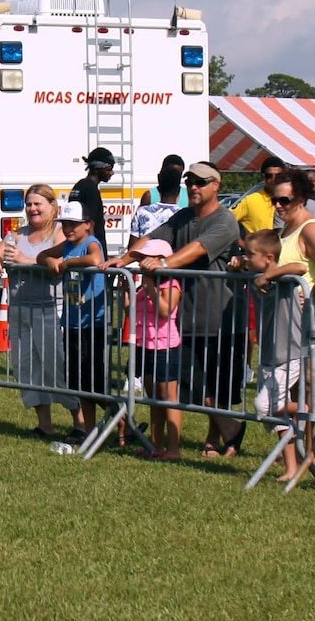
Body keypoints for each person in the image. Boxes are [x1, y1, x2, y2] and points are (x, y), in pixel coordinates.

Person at [108, 161, 248, 459]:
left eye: (200, 182)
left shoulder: (225, 221)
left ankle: (218, 436)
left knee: (217, 387)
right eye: (190, 182)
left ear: (216, 186)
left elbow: (198, 248)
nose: (193, 187)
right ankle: (229, 430)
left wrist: (165, 264)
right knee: (191, 385)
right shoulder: (182, 216)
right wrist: (125, 258)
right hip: (183, 318)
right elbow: (154, 238)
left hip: (220, 316)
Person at [260, 169, 315, 470]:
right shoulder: (285, 229)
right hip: (288, 323)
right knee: (296, 387)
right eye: (275, 200)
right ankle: (302, 449)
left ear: (302, 197)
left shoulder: (310, 228)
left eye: (286, 199)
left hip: (313, 322)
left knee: (312, 385)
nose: (279, 205)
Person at [3, 185, 84, 438]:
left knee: (57, 368)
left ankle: (81, 423)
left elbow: (58, 265)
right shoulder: (18, 235)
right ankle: (44, 425)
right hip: (20, 310)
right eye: (29, 204)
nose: (32, 209)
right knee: (27, 369)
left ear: (53, 206)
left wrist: (25, 261)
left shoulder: (60, 234)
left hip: (50, 309)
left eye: (38, 204)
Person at [37, 201, 107, 443]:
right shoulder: (66, 244)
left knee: (93, 383)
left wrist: (66, 263)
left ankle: (120, 421)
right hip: (72, 322)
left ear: (87, 225)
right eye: (65, 224)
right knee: (78, 382)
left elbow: (95, 259)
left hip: (92, 323)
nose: (68, 229)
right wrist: (51, 262)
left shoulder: (90, 242)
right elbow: (42, 255)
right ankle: (89, 429)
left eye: (74, 225)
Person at [244, 229, 306, 481]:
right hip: (269, 355)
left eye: (251, 254)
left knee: (264, 405)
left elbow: (300, 267)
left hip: (289, 353)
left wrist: (269, 274)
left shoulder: (282, 278)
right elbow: (237, 264)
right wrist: (239, 263)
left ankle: (306, 410)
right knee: (276, 417)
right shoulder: (255, 274)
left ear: (269, 258)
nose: (246, 258)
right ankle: (291, 468)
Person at [130, 239, 183, 460]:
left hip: (166, 345)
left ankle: (173, 448)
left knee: (168, 397)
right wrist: (128, 292)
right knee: (153, 397)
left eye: (146, 259)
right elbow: (131, 313)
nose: (142, 263)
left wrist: (149, 284)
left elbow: (164, 310)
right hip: (146, 344)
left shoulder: (171, 284)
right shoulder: (145, 285)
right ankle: (155, 445)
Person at [69, 146, 115, 249]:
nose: (112, 173)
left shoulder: (79, 186)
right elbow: (90, 225)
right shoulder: (91, 190)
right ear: (97, 169)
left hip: (76, 246)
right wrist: (95, 251)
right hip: (90, 251)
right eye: (109, 169)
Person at [128, 163, 184, 248]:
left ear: (159, 187)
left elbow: (132, 247)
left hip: (144, 260)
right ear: (178, 189)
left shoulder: (141, 212)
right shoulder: (184, 215)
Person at [230, 156, 284, 233]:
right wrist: (243, 243)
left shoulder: (292, 199)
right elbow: (224, 223)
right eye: (269, 176)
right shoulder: (251, 201)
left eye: (279, 176)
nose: (274, 179)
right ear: (263, 177)